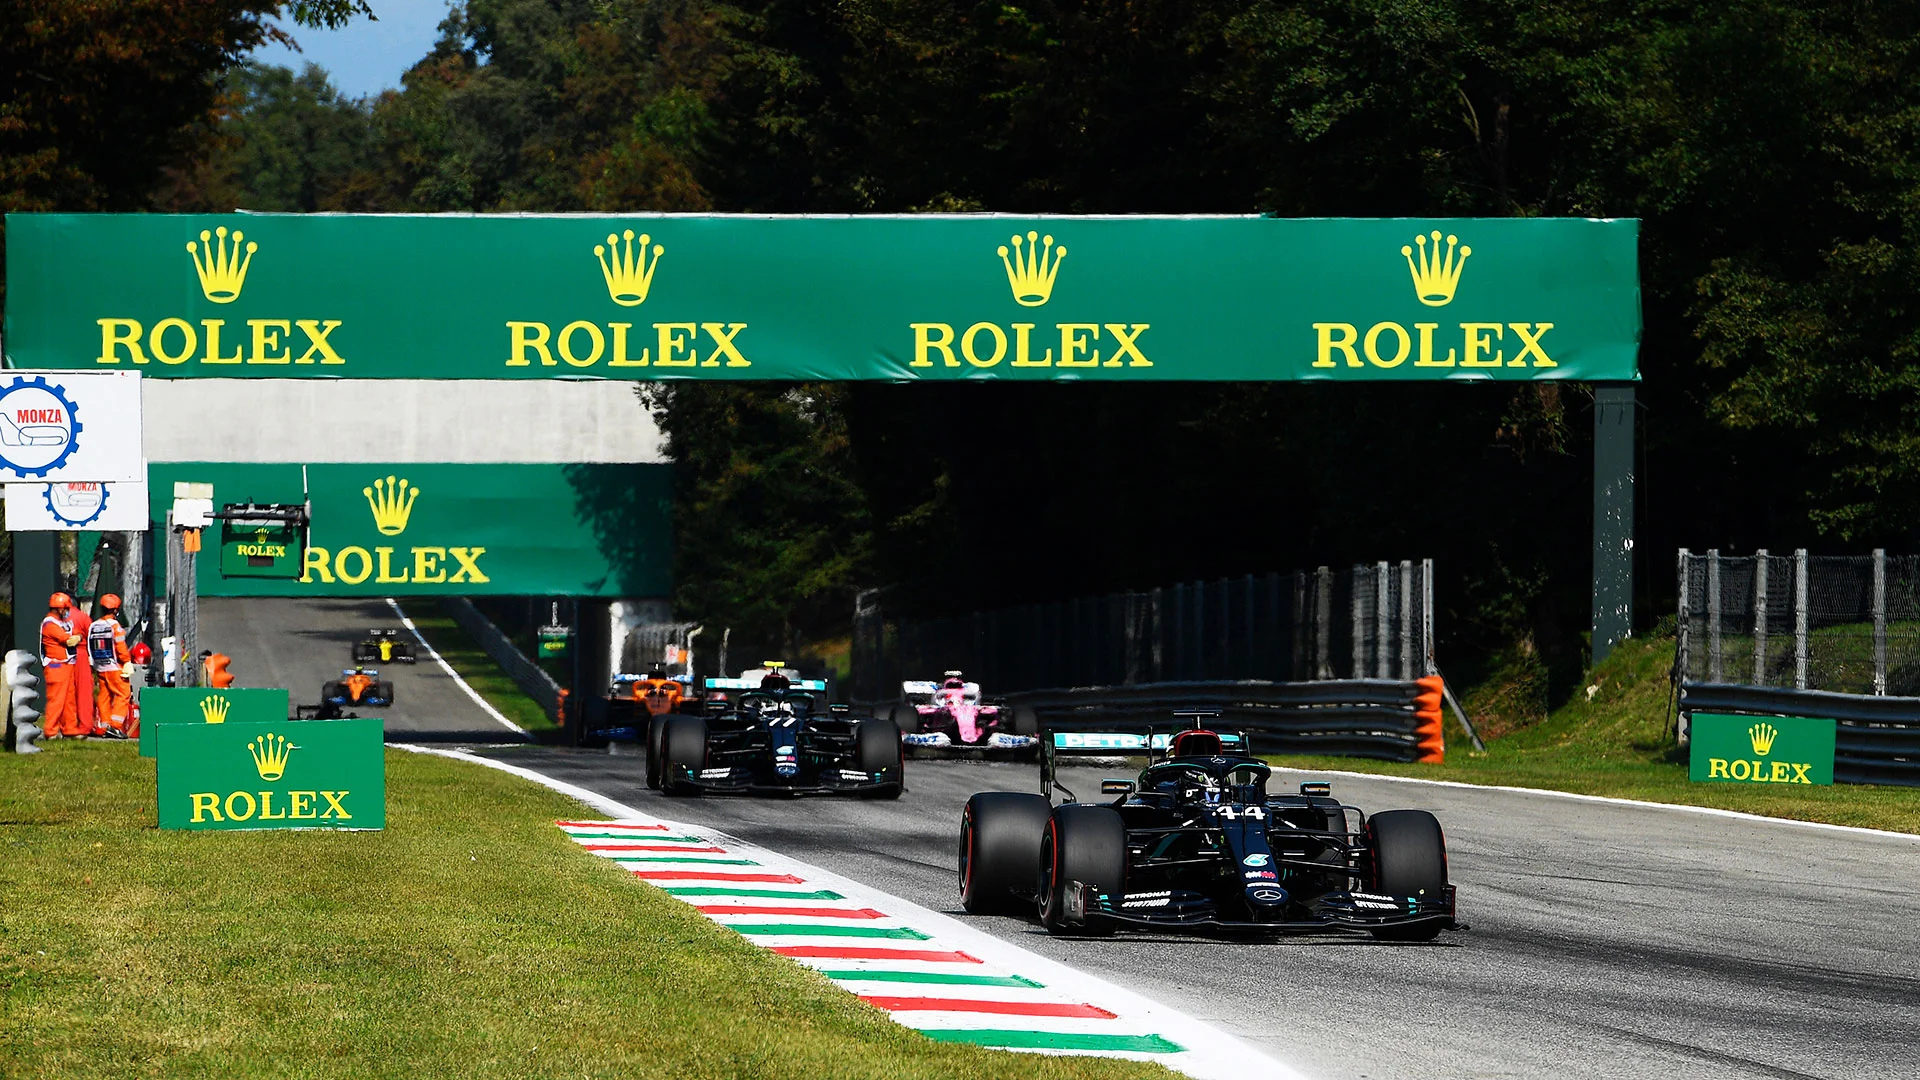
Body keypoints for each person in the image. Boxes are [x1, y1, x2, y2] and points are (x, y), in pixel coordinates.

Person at [39, 593, 86, 738]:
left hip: (67, 665)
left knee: (69, 700)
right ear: (59, 609)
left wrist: (77, 635)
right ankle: (50, 731)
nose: (67, 611)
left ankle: (70, 729)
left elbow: (76, 633)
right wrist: (78, 636)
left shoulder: (62, 622)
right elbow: (68, 640)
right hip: (56, 666)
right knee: (56, 700)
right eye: (66, 608)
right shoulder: (50, 624)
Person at [87, 594, 133, 739]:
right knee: (123, 694)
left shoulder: (94, 625)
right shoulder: (115, 626)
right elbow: (120, 646)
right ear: (115, 610)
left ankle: (105, 726)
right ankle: (115, 726)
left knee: (104, 695)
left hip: (100, 666)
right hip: (114, 667)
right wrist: (126, 661)